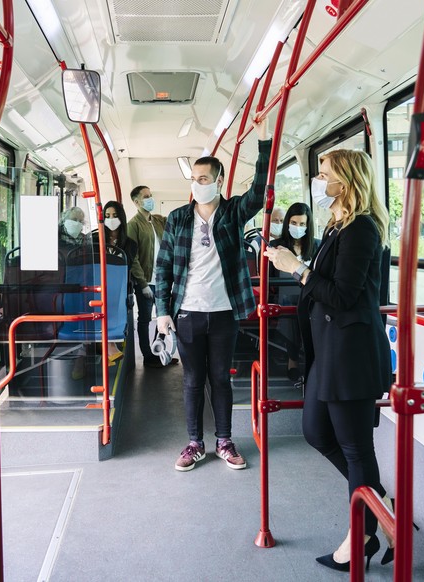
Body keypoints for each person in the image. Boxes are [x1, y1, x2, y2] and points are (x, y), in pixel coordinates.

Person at [264, 149, 392, 571]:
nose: (318, 181)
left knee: (356, 448)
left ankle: (363, 537)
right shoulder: (337, 226)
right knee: (316, 431)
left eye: (324, 174)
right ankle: (378, 503)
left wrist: (296, 268)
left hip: (350, 354)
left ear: (346, 181)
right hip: (329, 352)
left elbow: (341, 295)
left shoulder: (362, 230)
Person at [156, 119, 271, 472]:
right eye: (193, 178)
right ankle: (194, 442)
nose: (197, 184)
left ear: (219, 182)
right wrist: (162, 310)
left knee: (221, 377)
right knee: (192, 380)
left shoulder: (233, 213)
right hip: (187, 311)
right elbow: (163, 269)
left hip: (224, 312)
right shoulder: (178, 219)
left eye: (203, 179)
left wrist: (264, 143)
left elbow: (258, 190)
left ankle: (224, 440)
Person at [126, 185, 175, 368]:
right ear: (136, 202)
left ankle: (159, 350)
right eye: (146, 197)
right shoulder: (133, 225)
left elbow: (172, 221)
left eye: (151, 195)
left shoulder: (157, 221)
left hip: (162, 279)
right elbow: (133, 257)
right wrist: (142, 283)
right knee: (145, 319)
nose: (150, 199)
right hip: (146, 280)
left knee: (164, 316)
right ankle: (148, 355)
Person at [268, 202, 316, 381]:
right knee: (291, 302)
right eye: (294, 223)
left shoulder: (316, 247)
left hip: (311, 296)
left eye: (302, 224)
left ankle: (309, 359)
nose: (298, 228)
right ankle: (293, 359)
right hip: (285, 296)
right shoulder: (276, 246)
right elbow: (271, 279)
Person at [92, 200, 139, 364]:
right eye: (107, 216)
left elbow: (127, 267)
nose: (110, 219)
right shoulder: (94, 239)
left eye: (114, 215)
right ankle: (108, 346)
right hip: (97, 285)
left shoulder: (130, 244)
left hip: (118, 287)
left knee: (112, 304)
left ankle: (107, 345)